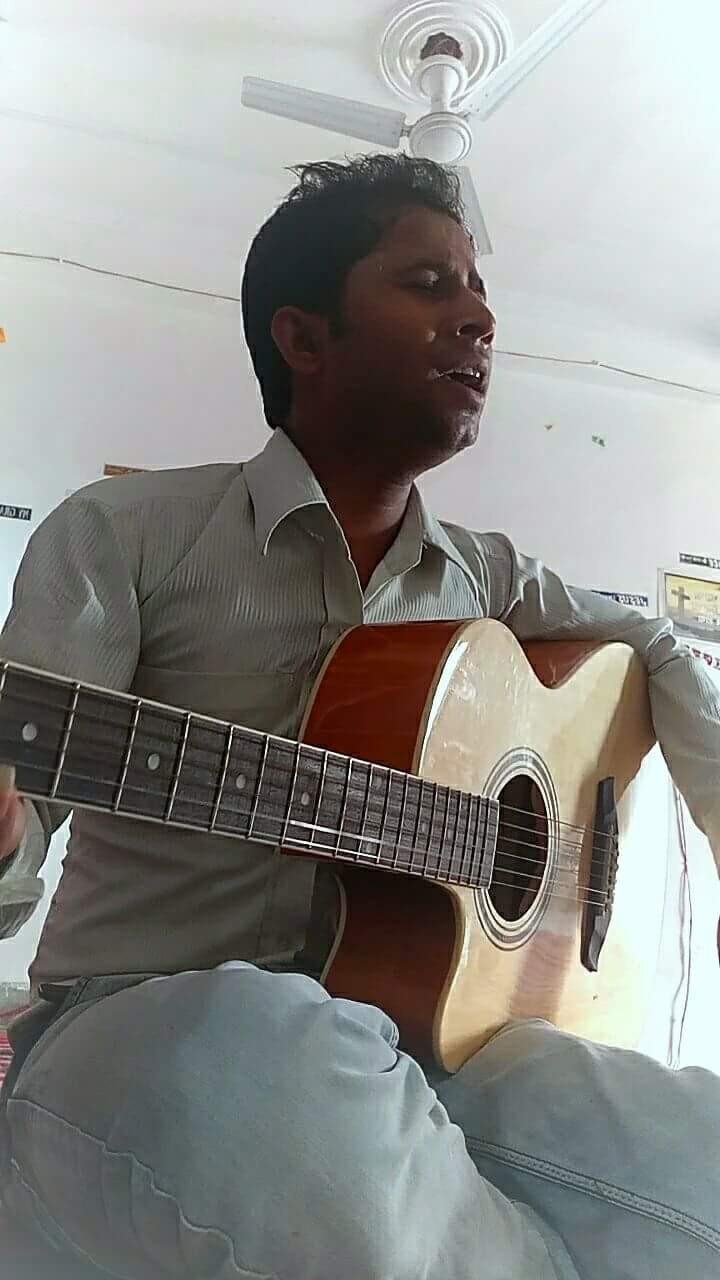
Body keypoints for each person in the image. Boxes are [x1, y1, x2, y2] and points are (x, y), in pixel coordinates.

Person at [0, 154, 719, 1279]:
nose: (479, 318)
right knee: (270, 1046)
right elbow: (24, 801)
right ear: (303, 336)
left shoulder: (486, 578)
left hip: (422, 1048)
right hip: (135, 1023)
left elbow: (658, 646)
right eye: (428, 283)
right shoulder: (124, 532)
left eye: (477, 289)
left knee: (690, 1152)